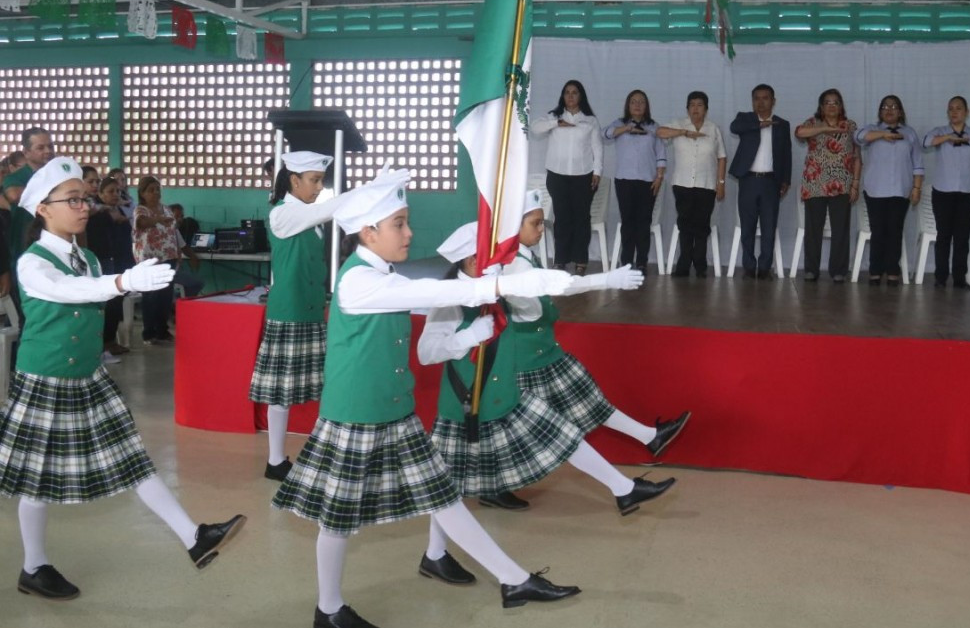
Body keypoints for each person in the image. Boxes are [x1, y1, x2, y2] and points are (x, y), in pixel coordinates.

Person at [271, 172, 581, 628]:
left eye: (406, 221)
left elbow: (431, 297)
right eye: (399, 224)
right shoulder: (359, 282)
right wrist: (495, 287)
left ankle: (512, 578)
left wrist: (489, 280)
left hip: (393, 413)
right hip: (356, 417)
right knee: (337, 520)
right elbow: (435, 291)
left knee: (444, 498)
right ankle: (329, 609)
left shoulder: (384, 273)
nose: (410, 233)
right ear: (369, 232)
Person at [0, 157, 244, 602]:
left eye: (84, 198)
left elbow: (95, 287)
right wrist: (121, 281)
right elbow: (67, 290)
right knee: (37, 480)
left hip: (87, 375)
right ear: (42, 209)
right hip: (47, 378)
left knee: (132, 459)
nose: (83, 206)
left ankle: (194, 537)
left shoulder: (87, 256)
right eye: (72, 199)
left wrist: (131, 282)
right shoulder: (33, 263)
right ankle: (33, 565)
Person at [482, 194, 690, 514]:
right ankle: (627, 482)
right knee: (556, 433)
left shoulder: (522, 256)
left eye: (542, 223)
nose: (541, 230)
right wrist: (604, 279)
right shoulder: (513, 264)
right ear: (514, 226)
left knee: (583, 402)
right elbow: (556, 287)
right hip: (522, 362)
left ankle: (647, 441)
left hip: (540, 353)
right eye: (535, 223)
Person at [249, 151, 348, 481]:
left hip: (308, 311)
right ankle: (275, 460)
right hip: (288, 313)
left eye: (321, 181)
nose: (319, 188)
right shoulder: (282, 215)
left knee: (312, 388)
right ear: (294, 180)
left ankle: (300, 456)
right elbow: (327, 211)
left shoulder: (307, 215)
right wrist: (366, 191)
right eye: (315, 181)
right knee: (282, 391)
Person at [530, 79, 603, 276]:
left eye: (575, 93)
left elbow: (597, 148)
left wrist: (597, 172)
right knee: (561, 218)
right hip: (557, 175)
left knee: (581, 218)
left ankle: (581, 261)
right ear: (563, 96)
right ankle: (560, 260)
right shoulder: (553, 117)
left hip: (583, 175)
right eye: (567, 92)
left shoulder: (590, 120)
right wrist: (556, 123)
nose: (570, 96)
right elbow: (535, 128)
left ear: (581, 96)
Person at [854, 95, 924, 286]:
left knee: (895, 230)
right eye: (885, 106)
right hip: (875, 190)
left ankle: (893, 270)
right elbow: (858, 137)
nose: (889, 109)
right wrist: (883, 135)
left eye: (894, 106)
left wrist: (917, 188)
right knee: (878, 231)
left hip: (900, 190)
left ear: (900, 111)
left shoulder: (909, 133)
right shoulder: (872, 129)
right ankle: (875, 270)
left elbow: (918, 164)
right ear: (880, 111)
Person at [795, 88, 862, 282]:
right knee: (813, 229)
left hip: (842, 184)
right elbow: (799, 133)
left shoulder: (850, 125)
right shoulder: (812, 123)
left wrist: (855, 184)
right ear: (821, 106)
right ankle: (811, 269)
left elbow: (857, 157)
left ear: (841, 106)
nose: (831, 106)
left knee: (840, 229)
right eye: (827, 102)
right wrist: (825, 129)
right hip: (815, 183)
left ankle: (839, 270)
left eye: (835, 102)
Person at [657, 91, 727, 278]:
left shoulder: (713, 129)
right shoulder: (678, 124)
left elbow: (721, 157)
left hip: (707, 184)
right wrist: (684, 132)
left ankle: (701, 263)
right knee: (685, 223)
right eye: (692, 105)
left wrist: (721, 183)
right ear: (687, 108)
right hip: (682, 183)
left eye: (700, 105)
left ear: (706, 109)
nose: (696, 108)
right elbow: (659, 132)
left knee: (702, 225)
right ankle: (684, 263)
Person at [923, 96, 970, 289]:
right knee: (943, 235)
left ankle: (959, 277)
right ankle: (941, 277)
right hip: (943, 192)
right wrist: (948, 138)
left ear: (967, 112)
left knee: (962, 236)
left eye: (958, 108)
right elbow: (926, 142)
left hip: (967, 192)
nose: (954, 112)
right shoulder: (940, 132)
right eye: (951, 109)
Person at [729, 84, 793, 279]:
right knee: (747, 226)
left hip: (770, 182)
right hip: (748, 180)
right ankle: (749, 265)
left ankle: (765, 266)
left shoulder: (782, 124)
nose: (761, 102)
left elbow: (787, 154)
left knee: (768, 226)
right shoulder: (745, 119)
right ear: (752, 101)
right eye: (757, 98)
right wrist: (759, 125)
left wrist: (785, 180)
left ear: (773, 101)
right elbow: (734, 127)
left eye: (765, 98)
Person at [604, 90, 667, 272]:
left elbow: (661, 155)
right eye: (633, 101)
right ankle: (626, 262)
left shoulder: (654, 127)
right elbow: (605, 134)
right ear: (628, 105)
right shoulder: (619, 124)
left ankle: (641, 262)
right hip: (624, 180)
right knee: (628, 221)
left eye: (641, 102)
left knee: (643, 222)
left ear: (646, 106)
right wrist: (627, 128)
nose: (637, 105)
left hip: (648, 181)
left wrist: (659, 177)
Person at [3, 128, 56, 307]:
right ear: (26, 152)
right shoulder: (16, 177)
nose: (48, 151)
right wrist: (53, 192)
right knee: (28, 314)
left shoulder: (58, 175)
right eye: (40, 147)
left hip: (55, 251)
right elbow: (14, 195)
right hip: (23, 250)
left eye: (50, 146)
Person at [87, 176, 134, 362]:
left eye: (117, 191)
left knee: (116, 304)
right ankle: (103, 343)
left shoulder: (121, 211)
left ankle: (111, 340)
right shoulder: (98, 214)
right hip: (103, 260)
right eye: (110, 191)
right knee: (106, 304)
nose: (115, 195)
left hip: (121, 261)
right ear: (100, 194)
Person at [131, 176, 180, 343]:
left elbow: (173, 233)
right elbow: (141, 224)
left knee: (166, 295)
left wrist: (178, 252)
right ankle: (149, 332)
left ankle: (162, 330)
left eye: (157, 189)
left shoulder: (166, 209)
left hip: (168, 255)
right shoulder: (141, 210)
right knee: (151, 296)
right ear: (142, 193)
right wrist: (157, 219)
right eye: (151, 190)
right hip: (149, 258)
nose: (155, 193)